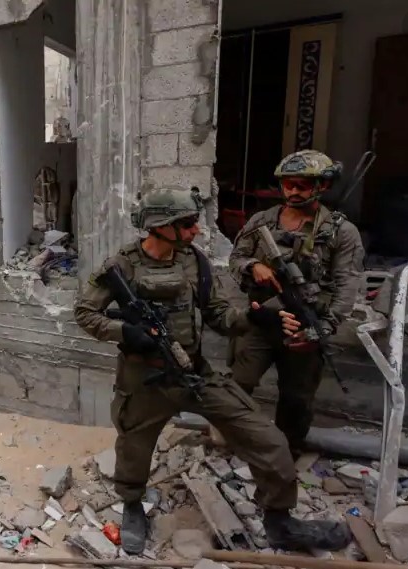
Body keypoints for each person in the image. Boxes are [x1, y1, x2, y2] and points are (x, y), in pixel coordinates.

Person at [74, 187, 351, 555]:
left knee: (268, 439)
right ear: (162, 225)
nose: (196, 230)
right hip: (144, 380)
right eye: (188, 223)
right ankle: (132, 506)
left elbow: (220, 316)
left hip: (194, 372)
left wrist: (256, 318)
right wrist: (126, 332)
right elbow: (85, 313)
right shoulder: (121, 267)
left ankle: (280, 522)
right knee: (133, 449)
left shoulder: (195, 262)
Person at [229, 150, 365, 457]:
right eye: (287, 184)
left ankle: (285, 452)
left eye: (301, 185)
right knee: (237, 384)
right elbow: (236, 258)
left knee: (297, 397)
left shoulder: (341, 232)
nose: (293, 191)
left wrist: (322, 329)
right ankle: (235, 442)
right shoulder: (262, 221)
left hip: (304, 324)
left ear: (322, 186)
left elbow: (347, 285)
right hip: (262, 319)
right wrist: (253, 266)